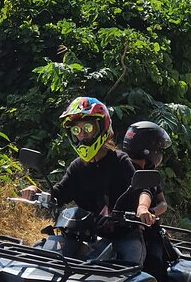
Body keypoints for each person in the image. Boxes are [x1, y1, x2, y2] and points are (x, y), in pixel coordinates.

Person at [21, 97, 155, 266]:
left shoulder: (120, 161)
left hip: (123, 236)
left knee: (129, 270)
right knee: (46, 262)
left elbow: (144, 189)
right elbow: (59, 194)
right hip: (86, 238)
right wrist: (37, 192)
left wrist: (142, 207)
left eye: (87, 128)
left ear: (102, 127)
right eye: (76, 130)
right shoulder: (77, 167)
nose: (82, 135)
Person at [122, 121, 172, 282]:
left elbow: (163, 204)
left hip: (147, 233)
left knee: (154, 264)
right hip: (119, 229)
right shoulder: (119, 166)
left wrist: (149, 212)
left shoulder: (150, 175)